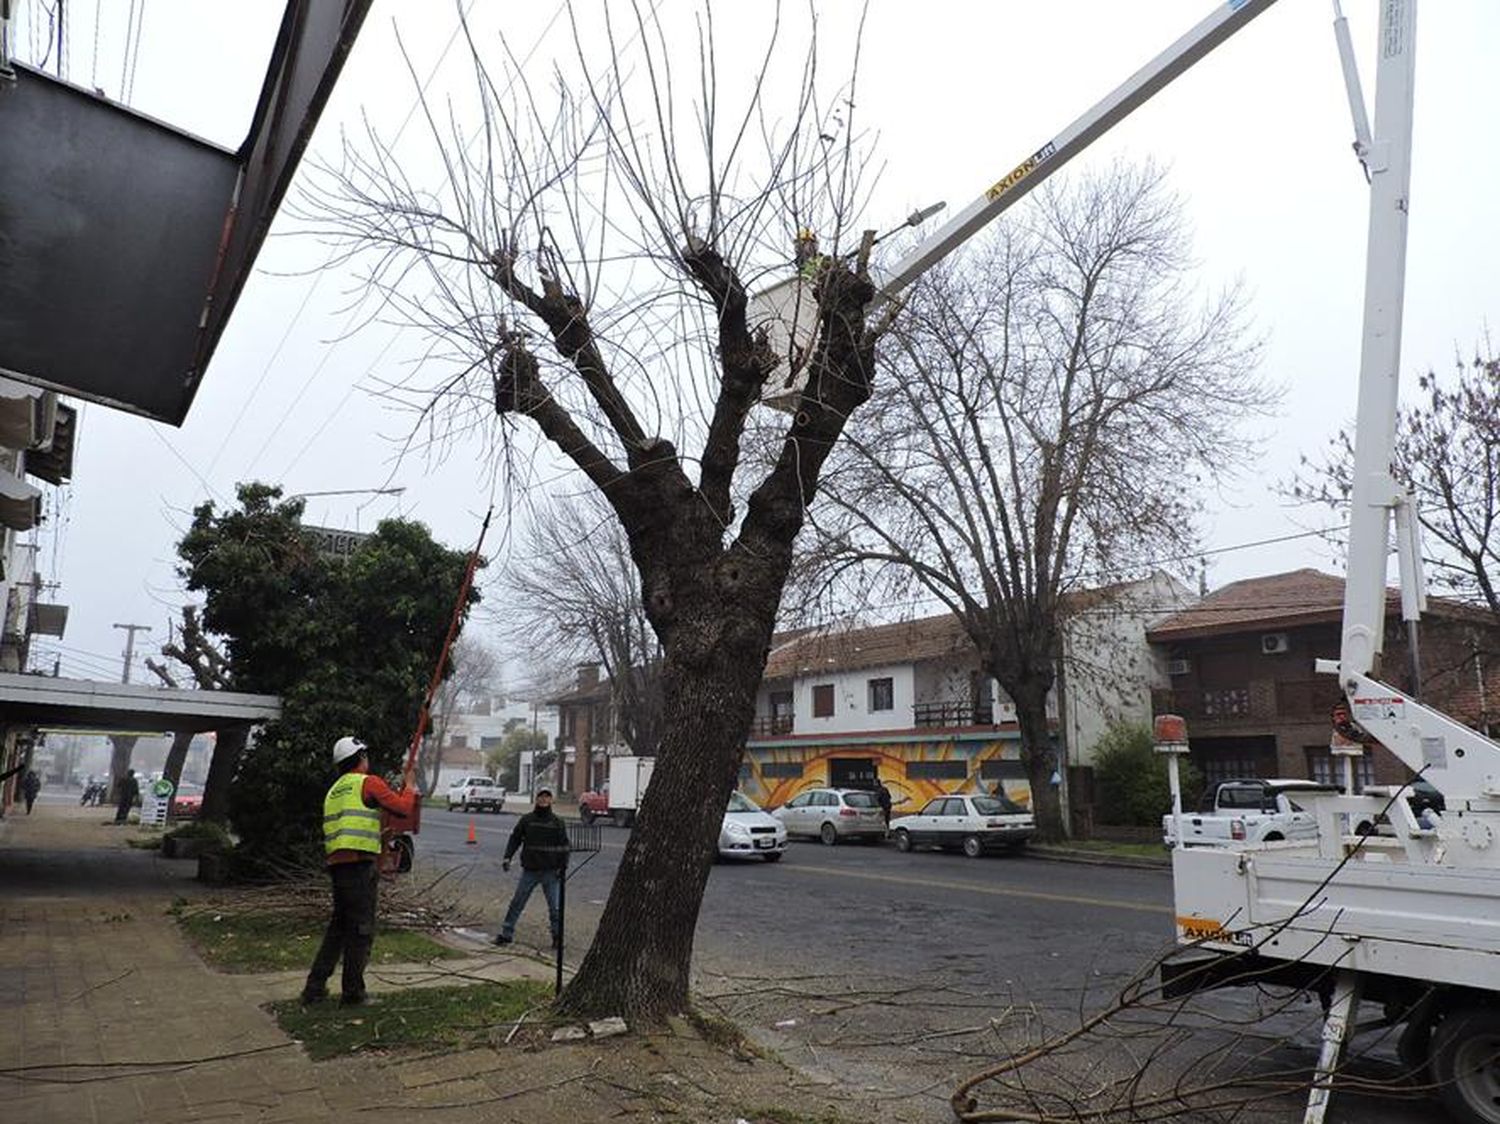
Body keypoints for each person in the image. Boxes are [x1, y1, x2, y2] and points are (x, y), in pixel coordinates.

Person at [301, 736, 416, 1007]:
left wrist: (378, 835)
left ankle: (314, 987)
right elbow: (402, 809)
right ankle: (353, 993)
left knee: (339, 928)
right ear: (361, 757)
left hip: (339, 867)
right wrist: (409, 785)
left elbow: (350, 825)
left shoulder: (335, 790)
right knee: (361, 930)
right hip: (359, 867)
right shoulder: (368, 782)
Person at [495, 787, 569, 947]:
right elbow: (515, 838)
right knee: (517, 903)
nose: (544, 800)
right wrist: (508, 857)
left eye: (547, 797)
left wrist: (563, 868)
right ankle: (506, 934)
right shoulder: (527, 820)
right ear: (536, 799)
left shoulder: (557, 823)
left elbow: (564, 847)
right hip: (530, 870)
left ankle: (557, 938)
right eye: (541, 797)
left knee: (555, 908)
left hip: (551, 872)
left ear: (551, 801)